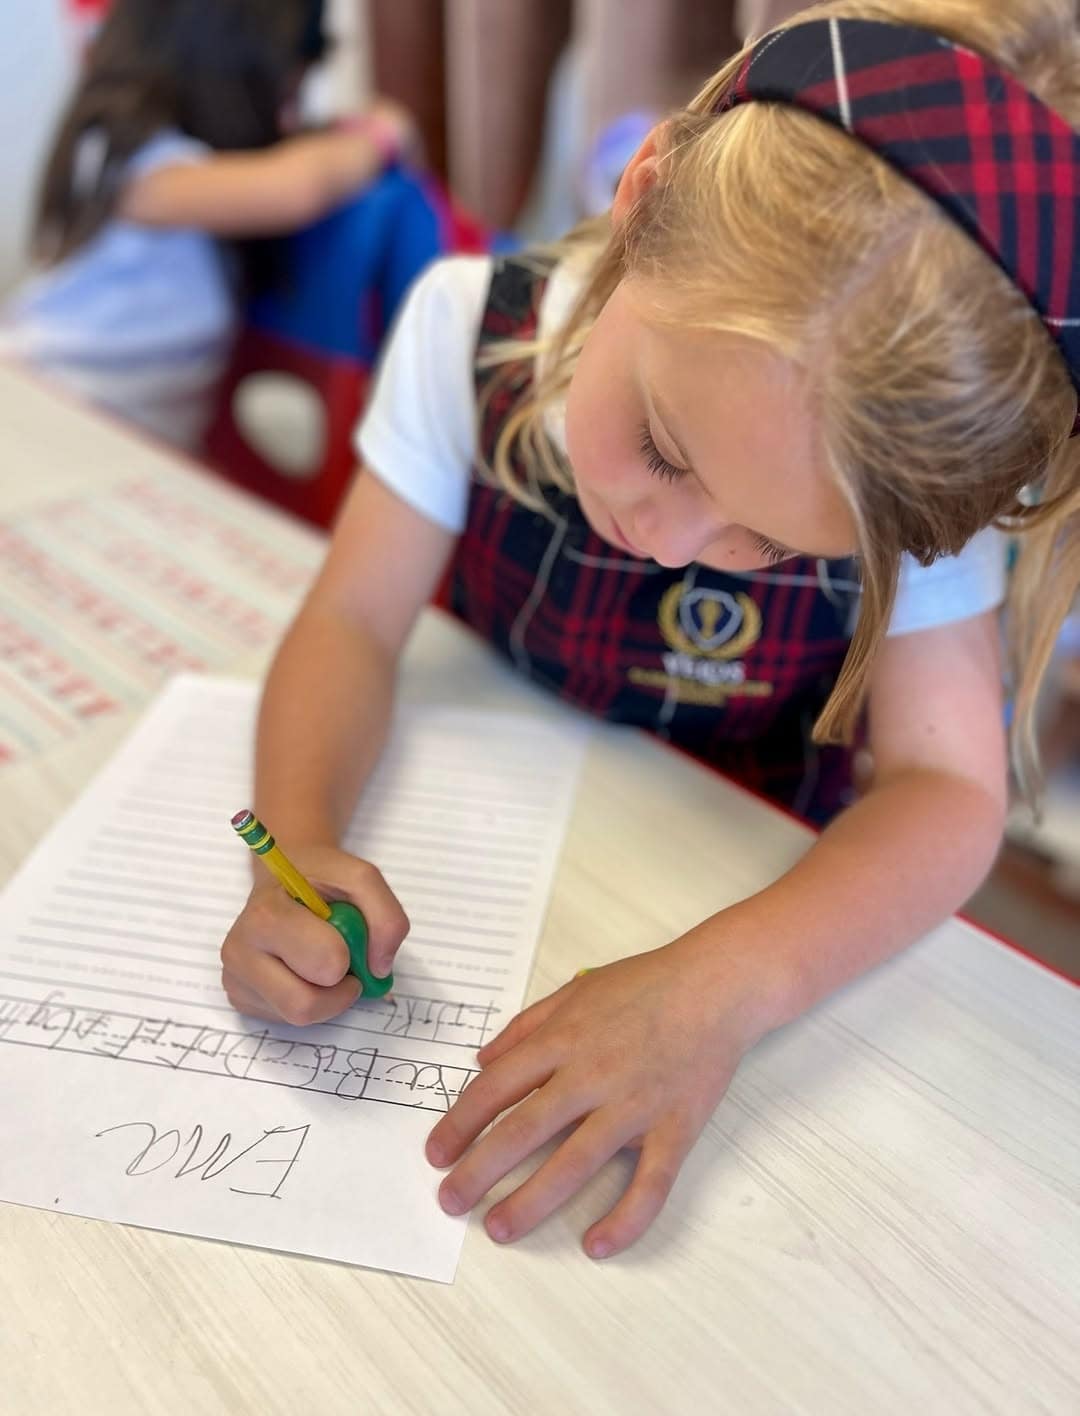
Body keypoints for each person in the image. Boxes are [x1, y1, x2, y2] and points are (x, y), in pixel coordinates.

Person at [220, 0, 1080, 1260]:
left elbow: (948, 789)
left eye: (777, 549)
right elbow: (351, 618)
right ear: (642, 193)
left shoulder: (904, 472)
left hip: (738, 894)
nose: (675, 540)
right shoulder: (465, 325)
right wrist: (290, 842)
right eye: (665, 450)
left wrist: (725, 986)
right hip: (503, 850)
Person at [0, 0, 414, 448]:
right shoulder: (130, 166)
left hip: (102, 434)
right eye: (281, 94)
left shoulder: (177, 165)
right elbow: (296, 187)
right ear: (223, 68)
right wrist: (382, 136)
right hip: (43, 407)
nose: (286, 118)